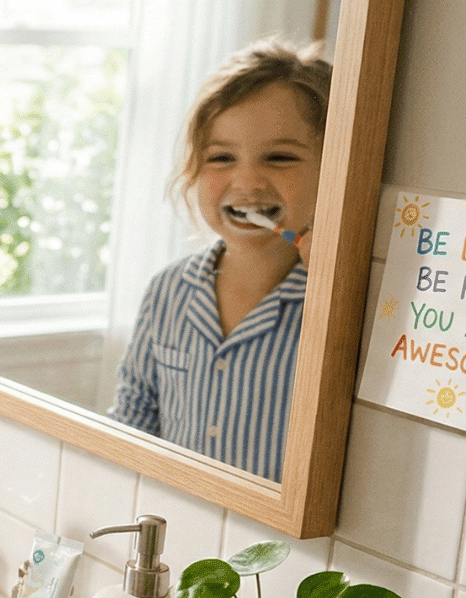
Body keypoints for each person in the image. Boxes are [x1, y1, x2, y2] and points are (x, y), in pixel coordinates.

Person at [108, 38, 332, 482]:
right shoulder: (168, 291)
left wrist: (337, 290)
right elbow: (133, 420)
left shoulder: (335, 304)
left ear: (334, 169)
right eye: (221, 158)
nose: (246, 181)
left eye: (280, 157)